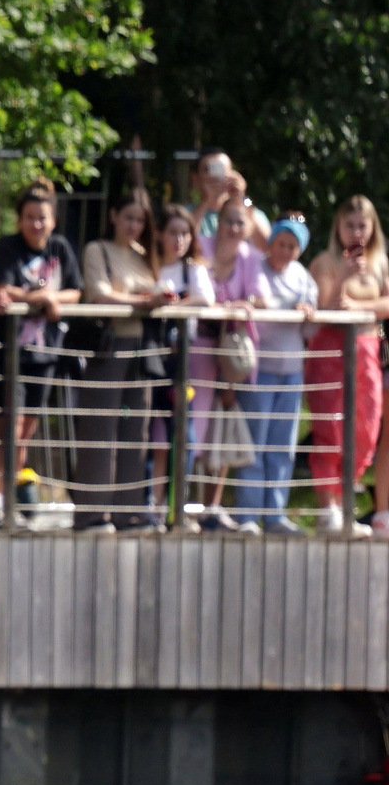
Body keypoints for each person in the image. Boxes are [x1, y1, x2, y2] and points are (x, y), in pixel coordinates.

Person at [0, 179, 82, 528]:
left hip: (45, 355)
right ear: (20, 219)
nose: (36, 224)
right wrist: (36, 298)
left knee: (25, 432)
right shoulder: (6, 248)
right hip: (9, 354)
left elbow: (75, 291)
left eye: (42, 217)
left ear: (52, 220)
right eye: (29, 217)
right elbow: (0, 287)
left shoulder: (60, 248)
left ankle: (9, 502)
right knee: (9, 430)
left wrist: (52, 298)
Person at [74, 189, 172, 532]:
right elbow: (99, 293)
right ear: (113, 216)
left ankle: (128, 512)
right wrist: (142, 302)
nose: (134, 225)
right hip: (109, 347)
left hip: (142, 349)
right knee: (100, 429)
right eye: (128, 217)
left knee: (136, 430)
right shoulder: (96, 250)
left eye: (140, 220)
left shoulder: (144, 255)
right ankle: (92, 513)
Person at [307, 195, 388, 533]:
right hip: (331, 349)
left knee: (367, 430)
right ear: (338, 227)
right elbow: (325, 308)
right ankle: (328, 510)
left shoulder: (380, 262)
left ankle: (343, 503)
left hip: (367, 348)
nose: (356, 232)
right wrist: (343, 276)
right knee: (331, 430)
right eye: (350, 225)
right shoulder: (324, 261)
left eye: (362, 225)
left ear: (372, 228)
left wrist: (358, 306)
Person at [202, 201, 271, 532]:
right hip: (197, 346)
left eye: (240, 223)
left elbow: (262, 298)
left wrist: (246, 303)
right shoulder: (201, 247)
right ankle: (176, 507)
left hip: (231, 354)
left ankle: (212, 507)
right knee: (195, 425)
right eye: (228, 221)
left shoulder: (252, 257)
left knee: (223, 423)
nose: (233, 228)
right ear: (218, 222)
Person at [249, 215, 318, 531]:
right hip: (259, 367)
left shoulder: (303, 277)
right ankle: (248, 514)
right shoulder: (256, 269)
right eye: (281, 243)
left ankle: (275, 514)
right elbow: (254, 308)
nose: (286, 251)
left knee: (282, 446)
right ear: (271, 242)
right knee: (255, 444)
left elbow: (311, 328)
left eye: (292, 246)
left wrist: (306, 313)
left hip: (291, 370)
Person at [151, 203, 216, 525]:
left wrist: (173, 305)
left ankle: (177, 509)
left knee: (183, 434)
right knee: (150, 434)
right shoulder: (149, 265)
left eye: (185, 233)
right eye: (172, 232)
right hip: (149, 357)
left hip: (181, 362)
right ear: (159, 235)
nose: (178, 240)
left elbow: (207, 300)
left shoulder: (194, 270)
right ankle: (150, 507)